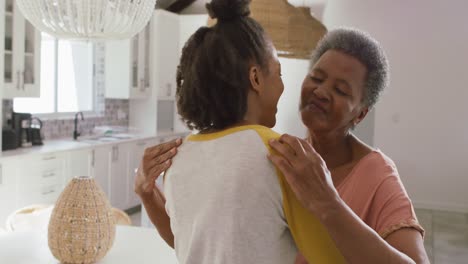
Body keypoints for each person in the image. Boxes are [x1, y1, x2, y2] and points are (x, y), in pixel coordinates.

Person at [135, 11, 430, 264]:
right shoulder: (276, 155)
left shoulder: (377, 174)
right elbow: (204, 243)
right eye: (316, 77)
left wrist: (329, 204)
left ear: (360, 114)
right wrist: (148, 195)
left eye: (341, 90)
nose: (322, 91)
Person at [134, 0, 344, 263]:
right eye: (278, 74)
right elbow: (332, 258)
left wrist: (146, 192)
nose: (282, 87)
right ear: (255, 78)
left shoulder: (177, 158)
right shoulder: (280, 153)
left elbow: (189, 246)